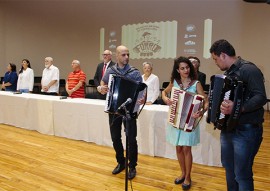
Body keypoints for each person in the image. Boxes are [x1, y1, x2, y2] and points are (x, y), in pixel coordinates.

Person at [210, 39, 266, 191]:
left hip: (246, 130)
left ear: (223, 55)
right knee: (229, 169)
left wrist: (237, 108)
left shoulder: (249, 69)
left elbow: (260, 97)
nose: (215, 62)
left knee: (242, 174)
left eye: (215, 59)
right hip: (228, 129)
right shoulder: (227, 74)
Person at [162, 56, 208, 190]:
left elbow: (205, 101)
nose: (186, 70)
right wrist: (166, 99)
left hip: (190, 120)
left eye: (187, 67)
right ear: (178, 70)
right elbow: (164, 92)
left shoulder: (196, 83)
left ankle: (188, 176)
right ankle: (182, 173)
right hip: (175, 119)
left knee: (187, 148)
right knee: (178, 147)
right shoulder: (174, 81)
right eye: (182, 68)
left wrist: (201, 111)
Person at [98, 45, 143, 180]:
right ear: (117, 56)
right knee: (115, 138)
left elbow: (141, 90)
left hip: (129, 111)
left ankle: (132, 165)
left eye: (128, 54)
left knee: (131, 139)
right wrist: (101, 88)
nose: (126, 57)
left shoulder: (134, 72)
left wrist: (140, 99)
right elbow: (103, 82)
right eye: (123, 55)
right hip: (114, 110)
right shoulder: (111, 71)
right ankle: (121, 162)